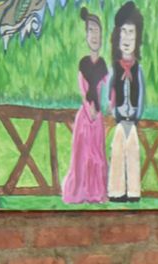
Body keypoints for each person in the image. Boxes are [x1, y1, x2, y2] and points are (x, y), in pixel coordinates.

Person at [60, 7, 108, 204]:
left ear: (102, 36)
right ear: (86, 35)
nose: (94, 36)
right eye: (90, 31)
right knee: (81, 157)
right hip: (85, 118)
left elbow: (104, 92)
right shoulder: (83, 64)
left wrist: (98, 111)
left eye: (97, 32)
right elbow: (82, 90)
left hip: (97, 119)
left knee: (97, 156)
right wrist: (89, 111)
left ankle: (96, 192)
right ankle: (79, 192)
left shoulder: (104, 65)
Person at [107, 1, 143, 203]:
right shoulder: (115, 68)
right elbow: (109, 91)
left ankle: (134, 192)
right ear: (117, 36)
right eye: (124, 32)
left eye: (131, 33)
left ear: (137, 38)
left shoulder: (138, 69)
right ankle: (116, 191)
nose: (127, 38)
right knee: (118, 153)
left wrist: (138, 114)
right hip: (120, 120)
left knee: (134, 154)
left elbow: (142, 93)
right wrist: (113, 111)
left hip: (133, 119)